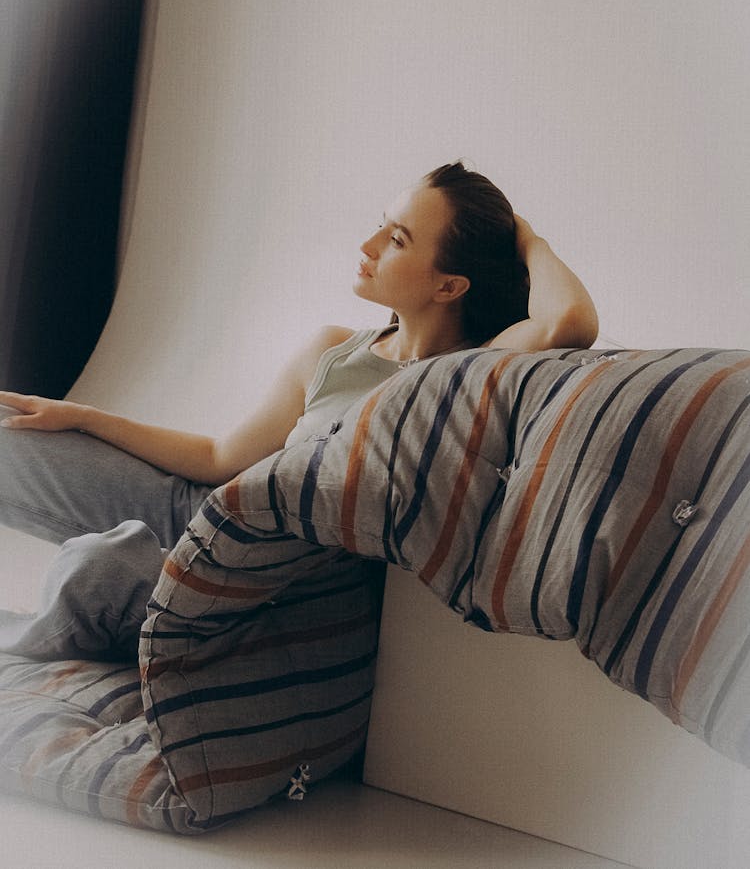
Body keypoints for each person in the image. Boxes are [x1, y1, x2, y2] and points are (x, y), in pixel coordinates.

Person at [0, 161, 598, 659]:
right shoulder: (333, 349)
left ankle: (25, 644)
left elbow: (568, 322)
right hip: (203, 509)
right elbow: (219, 457)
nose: (366, 247)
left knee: (98, 570)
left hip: (261, 576)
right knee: (9, 444)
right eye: (380, 226)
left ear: (449, 286)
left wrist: (526, 237)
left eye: (395, 240)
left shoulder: (465, 373)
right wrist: (81, 416)